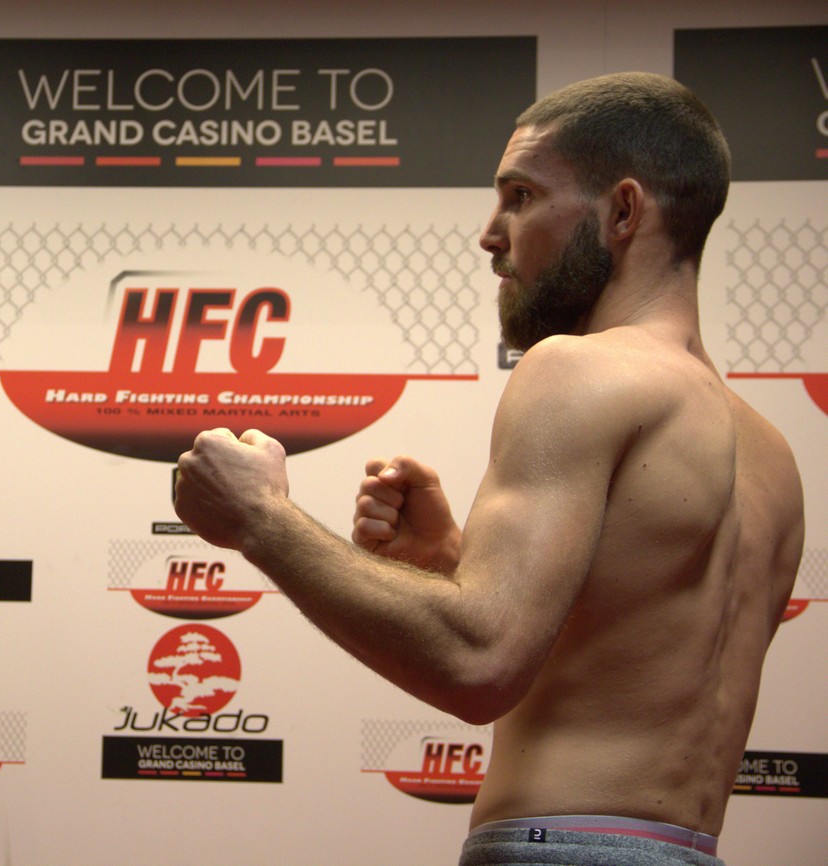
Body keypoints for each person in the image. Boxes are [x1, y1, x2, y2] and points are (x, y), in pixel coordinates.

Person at [174, 73, 804, 866]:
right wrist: (452, 565)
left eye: (521, 196)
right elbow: (618, 659)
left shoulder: (579, 370)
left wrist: (259, 519)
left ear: (622, 212)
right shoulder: (770, 453)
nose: (490, 234)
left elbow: (478, 663)